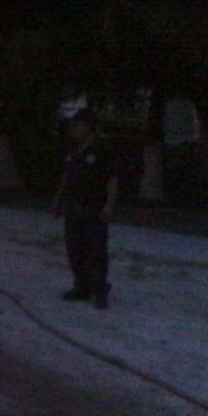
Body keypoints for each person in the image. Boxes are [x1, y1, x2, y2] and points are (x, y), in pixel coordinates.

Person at [50, 108, 118, 309]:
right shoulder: (73, 149)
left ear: (89, 127)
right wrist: (58, 201)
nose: (73, 129)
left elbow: (112, 178)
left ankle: (99, 290)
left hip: (94, 207)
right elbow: (66, 177)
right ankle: (81, 287)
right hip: (73, 206)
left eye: (77, 125)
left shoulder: (102, 149)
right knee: (75, 249)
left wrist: (109, 205)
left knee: (96, 250)